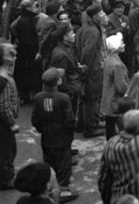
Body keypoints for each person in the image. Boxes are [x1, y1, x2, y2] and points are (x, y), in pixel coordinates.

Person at [31, 67, 78, 203]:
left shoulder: (38, 97)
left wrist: (43, 130)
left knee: (49, 161)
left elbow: (35, 119)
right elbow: (69, 120)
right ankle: (63, 191)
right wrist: (70, 132)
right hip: (62, 136)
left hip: (46, 135)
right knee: (64, 163)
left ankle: (49, 189)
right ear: (58, 82)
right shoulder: (63, 98)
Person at [76, 3, 108, 137]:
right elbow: (87, 52)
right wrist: (85, 70)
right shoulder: (93, 31)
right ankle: (90, 127)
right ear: (95, 16)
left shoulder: (85, 27)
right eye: (101, 13)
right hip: (92, 70)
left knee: (86, 98)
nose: (103, 15)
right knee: (91, 98)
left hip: (88, 68)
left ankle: (83, 123)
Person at [101, 33, 130, 139]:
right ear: (116, 47)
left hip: (108, 99)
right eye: (122, 43)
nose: (124, 44)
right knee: (116, 130)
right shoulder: (117, 65)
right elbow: (121, 86)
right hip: (115, 101)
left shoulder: (108, 59)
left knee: (109, 127)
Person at [0, 43, 18, 190]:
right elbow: (4, 106)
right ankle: (6, 179)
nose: (14, 55)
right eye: (10, 54)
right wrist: (12, 123)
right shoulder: (3, 80)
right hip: (3, 124)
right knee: (8, 149)